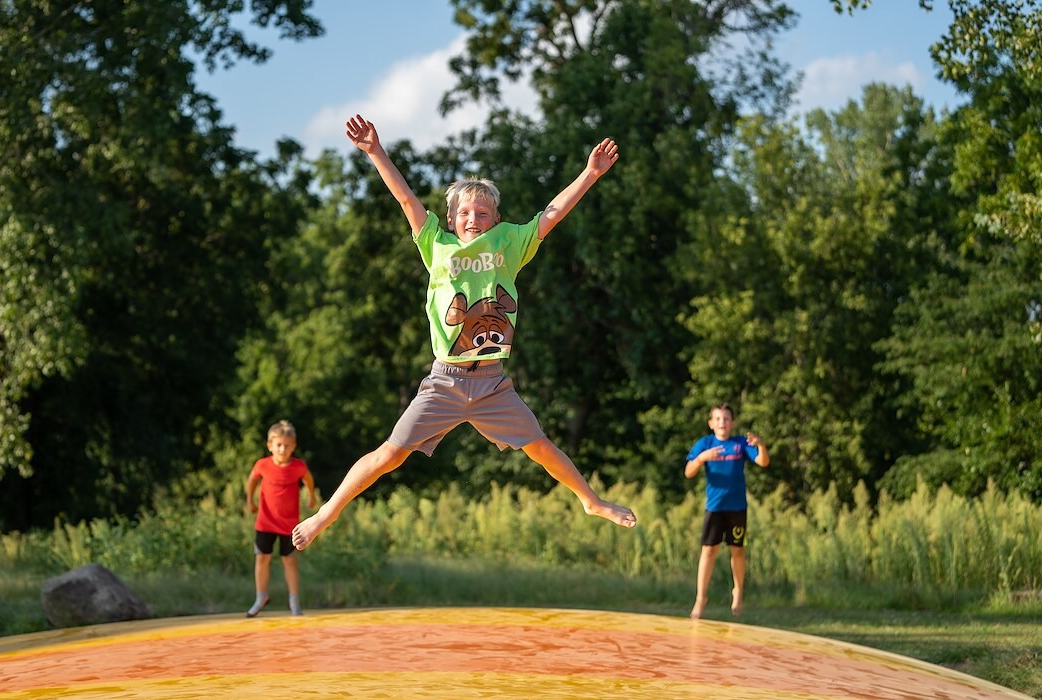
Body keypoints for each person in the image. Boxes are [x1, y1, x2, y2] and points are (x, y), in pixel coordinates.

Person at [292, 114, 636, 552]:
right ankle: (327, 512)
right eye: (465, 212)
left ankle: (591, 501)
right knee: (390, 454)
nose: (474, 218)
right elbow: (406, 201)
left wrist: (589, 174)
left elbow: (551, 214)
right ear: (452, 218)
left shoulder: (509, 244)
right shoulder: (436, 243)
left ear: (495, 219)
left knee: (541, 447)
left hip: (492, 382)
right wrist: (376, 152)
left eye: (483, 212)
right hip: (446, 380)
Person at [685, 403, 770, 619]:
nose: (722, 422)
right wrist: (702, 458)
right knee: (709, 551)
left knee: (737, 550)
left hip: (737, 508)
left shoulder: (740, 443)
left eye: (726, 418)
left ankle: (738, 591)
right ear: (711, 423)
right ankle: (701, 598)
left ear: (732, 422)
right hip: (714, 508)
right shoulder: (705, 443)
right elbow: (688, 472)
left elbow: (763, 462)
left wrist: (761, 445)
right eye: (718, 418)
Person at [245, 419, 316, 617]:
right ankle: (260, 597)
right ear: (270, 445)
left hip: (289, 525)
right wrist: (249, 500)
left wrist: (311, 496)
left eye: (287, 445)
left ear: (293, 446)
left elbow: (308, 479)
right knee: (262, 559)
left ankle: (294, 602)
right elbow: (252, 480)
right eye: (278, 445)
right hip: (265, 522)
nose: (282, 449)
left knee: (289, 560)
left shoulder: (298, 466)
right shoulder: (262, 465)